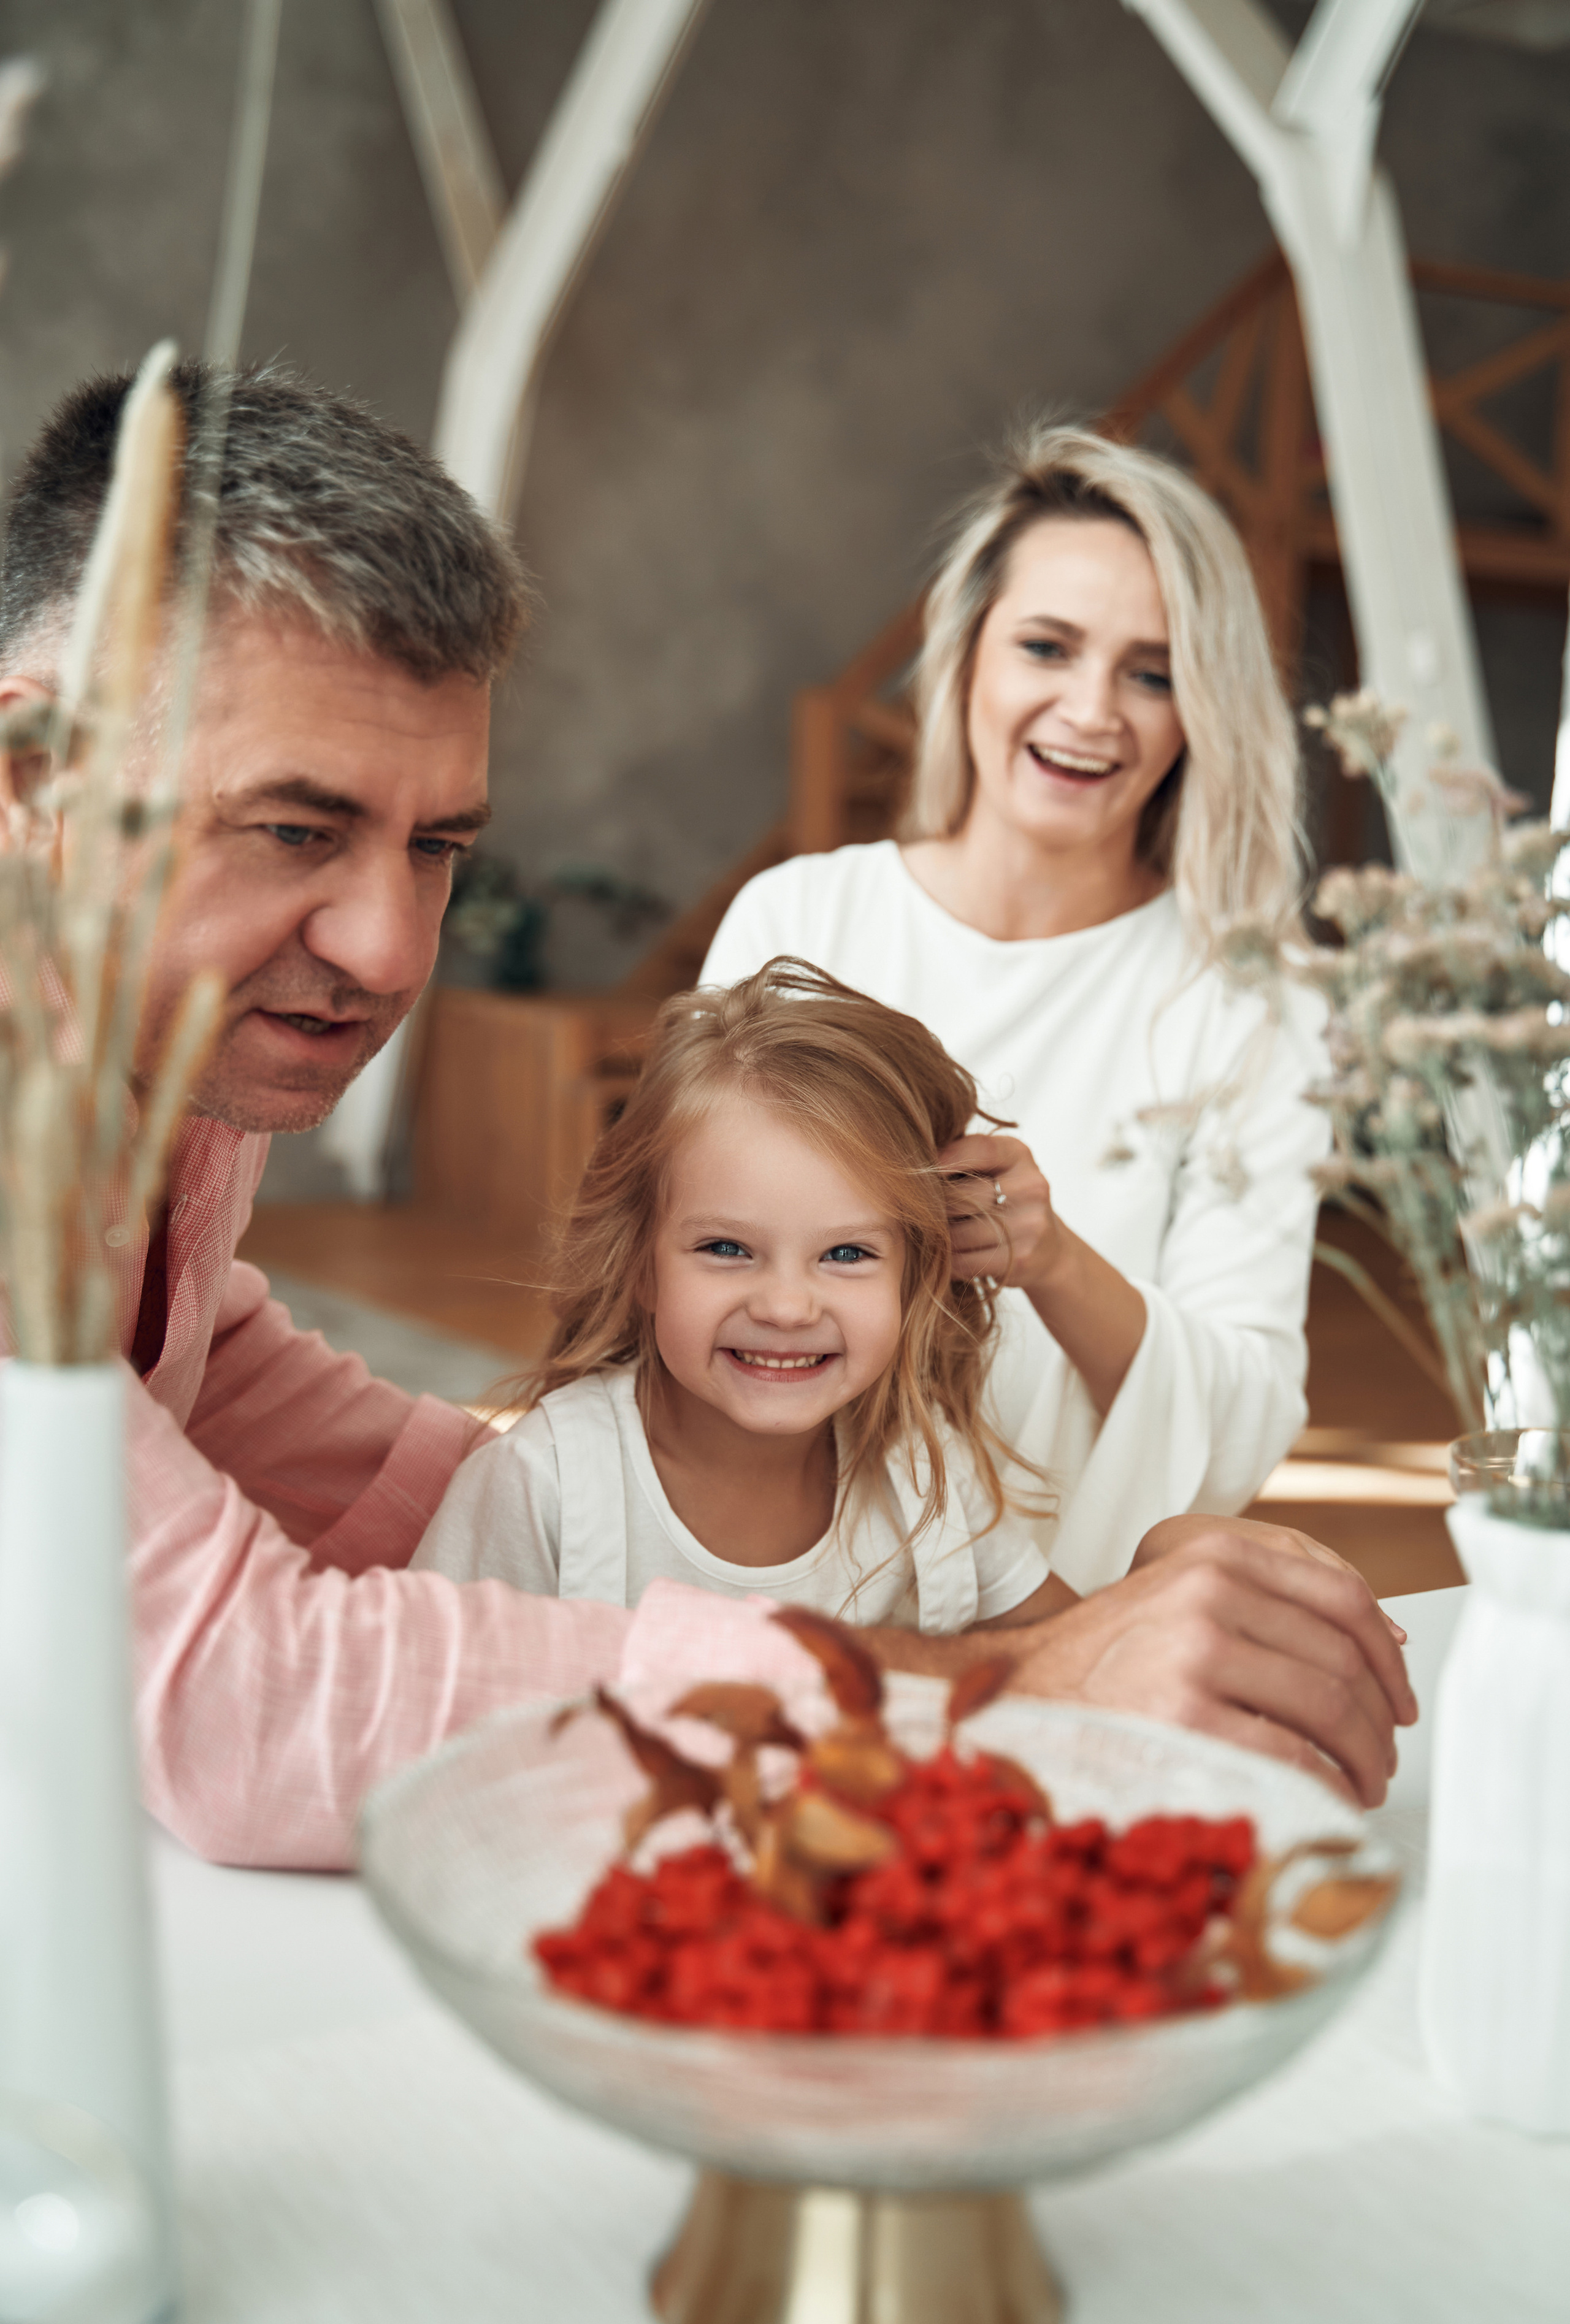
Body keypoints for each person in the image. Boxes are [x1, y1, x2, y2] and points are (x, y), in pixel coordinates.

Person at [0, 365, 1412, 1874]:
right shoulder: (804, 911)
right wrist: (997, 1693)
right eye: (297, 829)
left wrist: (531, 1502)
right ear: (34, 776)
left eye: (437, 848)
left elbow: (202, 1363)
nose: (392, 950)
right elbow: (247, 1699)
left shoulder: (164, 1042)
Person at [702, 424, 1328, 1596]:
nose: (1093, 710)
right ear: (971, 657)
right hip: (761, 1583)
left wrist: (1052, 1261)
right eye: (1049, 647)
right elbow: (669, 1264)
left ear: (1203, 709)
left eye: (1152, 672)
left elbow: (1244, 1427)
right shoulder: (799, 923)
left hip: (1071, 1612)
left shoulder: (1250, 1002)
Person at [414, 959, 1066, 1628]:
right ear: (639, 1264)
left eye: (846, 1254)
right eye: (727, 1249)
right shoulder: (541, 1485)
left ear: (916, 1276)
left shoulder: (924, 1471)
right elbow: (420, 1705)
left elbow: (1076, 1660)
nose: (785, 1308)